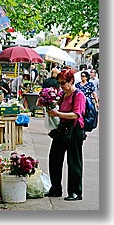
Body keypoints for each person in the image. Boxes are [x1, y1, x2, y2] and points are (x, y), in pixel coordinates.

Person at [46, 69, 86, 201]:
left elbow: (76, 114)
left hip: (74, 130)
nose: (61, 85)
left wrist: (58, 114)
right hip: (62, 130)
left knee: (73, 161)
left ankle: (75, 192)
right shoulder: (63, 94)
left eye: (63, 83)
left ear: (71, 81)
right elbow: (57, 107)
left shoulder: (78, 95)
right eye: (59, 83)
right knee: (54, 159)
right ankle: (56, 188)